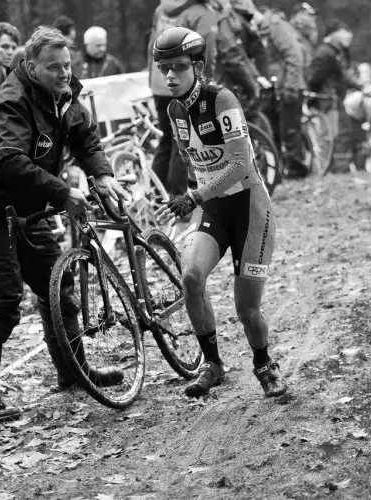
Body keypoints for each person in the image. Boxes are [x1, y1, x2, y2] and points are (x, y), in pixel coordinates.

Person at [0, 26, 128, 390]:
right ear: (31, 68)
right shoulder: (12, 102)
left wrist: (103, 175)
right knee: (4, 302)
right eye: (54, 67)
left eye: (67, 65)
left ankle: (75, 374)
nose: (64, 73)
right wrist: (62, 192)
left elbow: (85, 138)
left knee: (58, 288)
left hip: (29, 207)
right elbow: (9, 161)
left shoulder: (63, 95)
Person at [151, 27, 285, 399]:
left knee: (247, 309)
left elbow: (241, 164)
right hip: (213, 207)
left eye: (178, 67)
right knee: (191, 276)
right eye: (163, 68)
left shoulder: (221, 99)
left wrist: (195, 195)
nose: (170, 76)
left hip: (249, 210)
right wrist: (194, 197)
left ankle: (264, 364)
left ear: (197, 65)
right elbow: (188, 158)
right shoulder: (174, 108)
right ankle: (212, 364)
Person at [147, 0, 219, 197]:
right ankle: (178, 198)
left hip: (159, 80)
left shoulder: (162, 8)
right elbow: (207, 52)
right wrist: (206, 82)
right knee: (184, 140)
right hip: (184, 81)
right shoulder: (202, 12)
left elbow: (152, 45)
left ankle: (155, 195)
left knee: (165, 140)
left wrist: (151, 76)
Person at [258, 5, 307, 177]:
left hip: (288, 87)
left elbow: (294, 56)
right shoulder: (261, 28)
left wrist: (291, 86)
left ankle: (297, 169)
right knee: (272, 131)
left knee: (290, 130)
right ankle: (276, 171)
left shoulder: (277, 26)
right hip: (271, 88)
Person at [308, 20, 360, 172]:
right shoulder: (327, 53)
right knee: (327, 135)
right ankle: (324, 169)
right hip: (325, 99)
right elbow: (318, 77)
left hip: (330, 98)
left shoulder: (334, 51)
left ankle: (329, 168)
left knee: (331, 134)